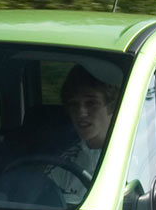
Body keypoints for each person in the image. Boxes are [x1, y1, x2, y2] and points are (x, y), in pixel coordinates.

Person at [46, 65, 119, 201]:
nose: (81, 112)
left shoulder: (133, 159)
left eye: (91, 103)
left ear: (112, 105)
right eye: (74, 104)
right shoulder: (63, 163)